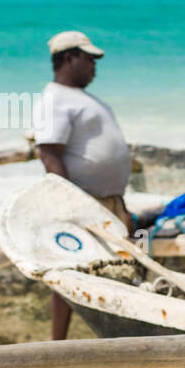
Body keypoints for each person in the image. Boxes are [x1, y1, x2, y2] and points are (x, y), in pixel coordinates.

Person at [32, 30, 134, 348]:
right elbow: (49, 153)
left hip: (109, 202)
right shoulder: (55, 99)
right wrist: (70, 204)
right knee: (71, 272)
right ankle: (60, 354)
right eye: (88, 59)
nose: (94, 66)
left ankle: (108, 354)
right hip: (82, 203)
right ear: (68, 58)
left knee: (111, 274)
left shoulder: (83, 98)